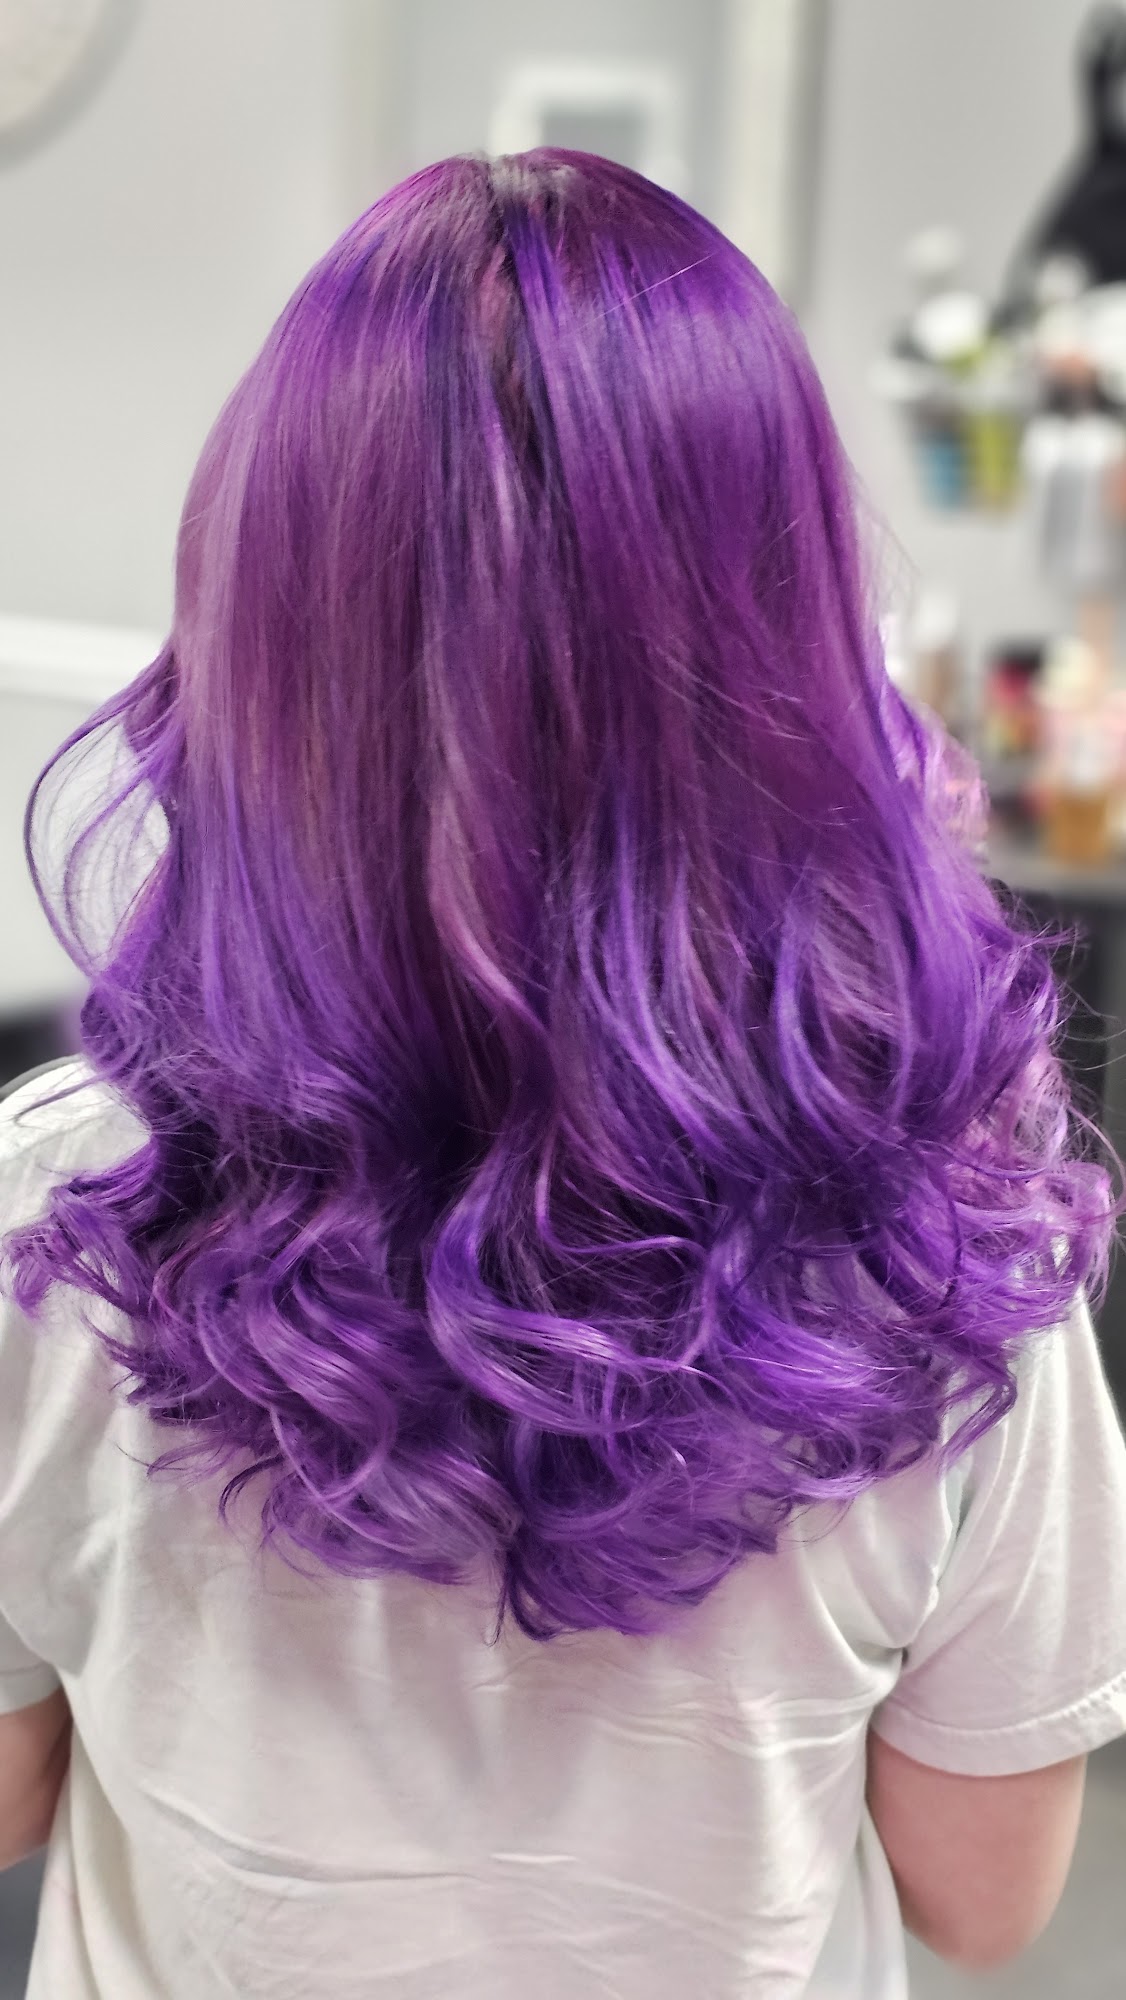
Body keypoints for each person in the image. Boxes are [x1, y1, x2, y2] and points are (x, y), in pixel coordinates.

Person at [1, 149, 1125, 2000]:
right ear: (786, 642)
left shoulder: (68, 1210)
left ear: (258, 625)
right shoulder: (948, 1233)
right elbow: (982, 1896)